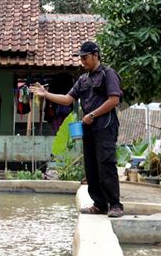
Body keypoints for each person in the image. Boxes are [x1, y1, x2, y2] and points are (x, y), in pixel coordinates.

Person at [30, 41, 124, 218]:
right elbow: (67, 99)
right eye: (80, 58)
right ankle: (100, 204)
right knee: (91, 167)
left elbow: (114, 100)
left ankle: (115, 205)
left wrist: (93, 115)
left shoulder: (108, 74)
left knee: (106, 165)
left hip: (105, 127)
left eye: (85, 57)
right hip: (88, 129)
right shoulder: (83, 79)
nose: (82, 61)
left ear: (95, 55)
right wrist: (46, 94)